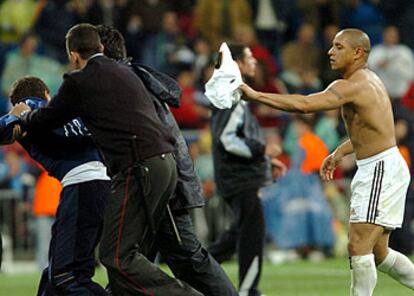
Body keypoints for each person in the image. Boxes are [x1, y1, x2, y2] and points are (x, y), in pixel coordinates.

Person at [12, 23, 202, 296]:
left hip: (137, 166)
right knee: (128, 256)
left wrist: (21, 116)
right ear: (100, 47)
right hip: (166, 161)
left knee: (113, 259)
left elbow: (47, 118)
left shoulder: (80, 81)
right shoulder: (128, 72)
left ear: (74, 55)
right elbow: (173, 93)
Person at [240, 28, 414, 295]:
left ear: (358, 53)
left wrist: (256, 95)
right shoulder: (369, 81)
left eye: (339, 47)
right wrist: (339, 153)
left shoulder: (351, 85)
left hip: (380, 168)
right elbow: (373, 132)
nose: (330, 52)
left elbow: (305, 104)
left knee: (357, 245)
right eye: (332, 46)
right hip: (381, 164)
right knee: (378, 253)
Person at [96, 24, 238, 296]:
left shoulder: (124, 83)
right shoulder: (130, 79)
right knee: (129, 259)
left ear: (100, 52)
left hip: (160, 184)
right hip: (151, 180)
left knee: (186, 257)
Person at [2, 76, 110, 295]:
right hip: (106, 185)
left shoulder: (27, 110)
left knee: (66, 276)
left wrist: (12, 117)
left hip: (81, 185)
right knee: (53, 278)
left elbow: (7, 131)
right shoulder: (70, 109)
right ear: (47, 93)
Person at [209, 42, 283, 296]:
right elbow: (227, 139)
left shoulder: (231, 94)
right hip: (240, 180)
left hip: (237, 177)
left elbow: (233, 137)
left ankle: (192, 271)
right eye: (250, 57)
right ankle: (249, 291)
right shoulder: (232, 95)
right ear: (238, 63)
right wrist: (262, 151)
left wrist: (266, 161)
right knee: (252, 235)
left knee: (237, 234)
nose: (254, 62)